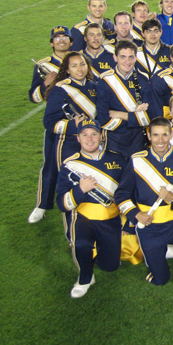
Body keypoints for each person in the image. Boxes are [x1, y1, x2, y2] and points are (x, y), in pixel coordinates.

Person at [115, 118, 173, 296]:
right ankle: (160, 254)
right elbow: (121, 195)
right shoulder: (136, 161)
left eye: (165, 134)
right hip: (148, 226)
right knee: (160, 280)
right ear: (148, 135)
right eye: (155, 135)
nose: (160, 140)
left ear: (171, 135)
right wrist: (136, 215)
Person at [56, 118, 126, 297]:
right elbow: (62, 204)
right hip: (84, 218)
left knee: (110, 266)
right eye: (84, 134)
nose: (89, 138)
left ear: (101, 136)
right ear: (78, 138)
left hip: (111, 218)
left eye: (94, 134)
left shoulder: (117, 159)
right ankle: (85, 277)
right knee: (81, 243)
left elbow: (127, 191)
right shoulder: (69, 165)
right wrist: (80, 190)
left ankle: (97, 252)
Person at [28, 26, 74, 223]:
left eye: (65, 37)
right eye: (57, 37)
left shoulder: (78, 61)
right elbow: (33, 97)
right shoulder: (43, 65)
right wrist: (46, 83)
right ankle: (42, 204)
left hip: (78, 120)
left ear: (71, 42)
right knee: (50, 164)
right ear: (51, 42)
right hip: (55, 120)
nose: (61, 40)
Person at [43, 51, 99, 174]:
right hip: (68, 143)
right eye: (74, 66)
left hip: (92, 142)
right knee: (68, 181)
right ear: (67, 70)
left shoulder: (95, 86)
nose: (79, 69)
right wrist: (73, 125)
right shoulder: (60, 89)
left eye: (82, 64)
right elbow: (49, 122)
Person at [97, 40, 152, 160]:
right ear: (115, 57)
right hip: (113, 139)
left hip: (137, 139)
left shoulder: (143, 79)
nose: (127, 61)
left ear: (136, 58)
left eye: (131, 57)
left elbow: (148, 117)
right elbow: (103, 119)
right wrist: (135, 116)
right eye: (123, 57)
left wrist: (119, 114)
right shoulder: (104, 80)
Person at [135, 18, 171, 83]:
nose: (153, 34)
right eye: (149, 31)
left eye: (156, 31)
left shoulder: (170, 51)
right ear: (143, 33)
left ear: (161, 32)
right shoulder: (135, 53)